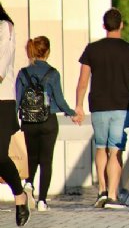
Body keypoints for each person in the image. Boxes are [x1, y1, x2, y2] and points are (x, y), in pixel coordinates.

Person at [74, 8, 129, 209]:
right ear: (121, 24)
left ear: (104, 26)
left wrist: (79, 106)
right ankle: (113, 195)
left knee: (100, 148)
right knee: (115, 151)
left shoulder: (91, 49)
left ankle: (102, 191)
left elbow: (82, 81)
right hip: (122, 107)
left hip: (98, 105)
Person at [16, 36, 76, 212]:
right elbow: (60, 100)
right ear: (48, 52)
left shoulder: (23, 73)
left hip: (28, 121)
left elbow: (17, 100)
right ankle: (42, 201)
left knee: (32, 157)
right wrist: (72, 113)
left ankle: (28, 184)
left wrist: (14, 123)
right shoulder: (53, 73)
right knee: (46, 161)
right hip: (48, 121)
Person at [0, 3, 32, 226]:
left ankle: (19, 195)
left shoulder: (4, 27)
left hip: (1, 99)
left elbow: (1, 67)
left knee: (0, 155)